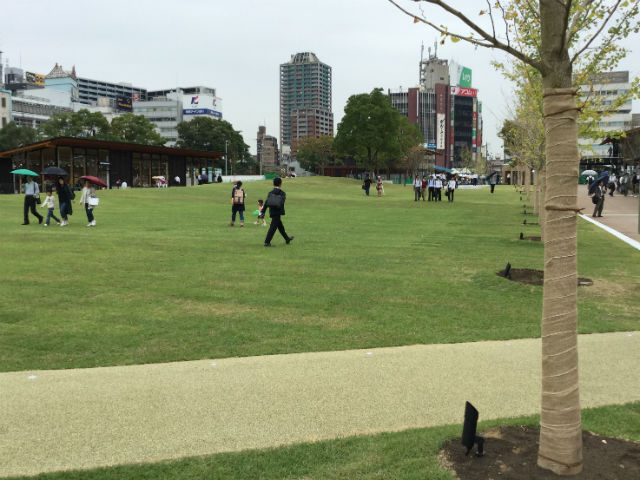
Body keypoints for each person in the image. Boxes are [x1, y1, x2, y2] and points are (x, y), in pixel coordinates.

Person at [263, 176, 293, 247]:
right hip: (278, 212)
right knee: (273, 228)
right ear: (280, 184)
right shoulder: (282, 193)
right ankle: (267, 242)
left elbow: (266, 203)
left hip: (272, 211)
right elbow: (281, 202)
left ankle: (287, 239)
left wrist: (263, 211)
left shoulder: (270, 193)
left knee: (280, 226)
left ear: (273, 184)